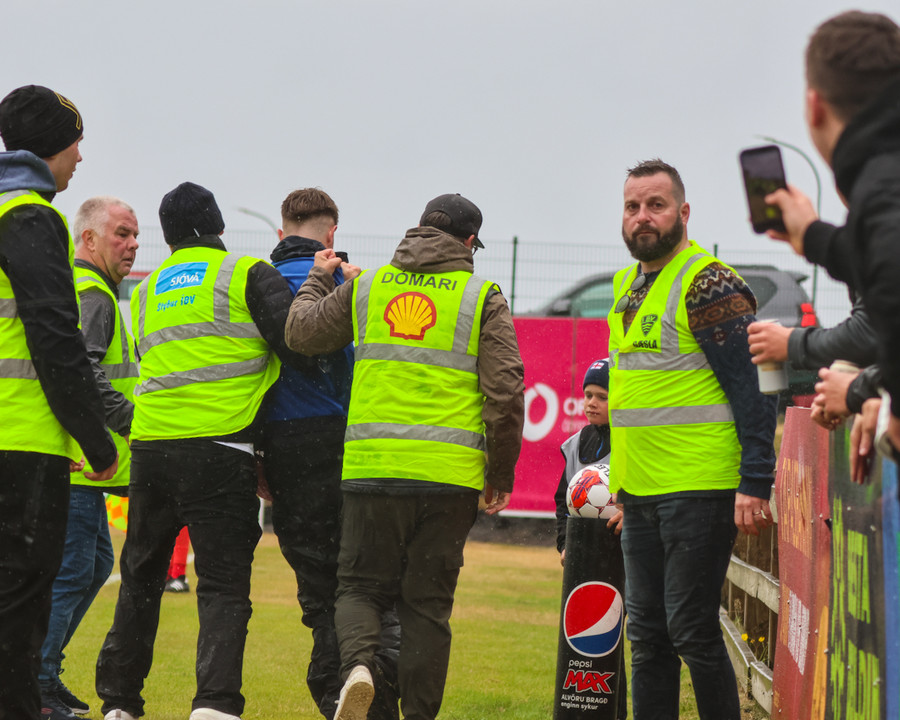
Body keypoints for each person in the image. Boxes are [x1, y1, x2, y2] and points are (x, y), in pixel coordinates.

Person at [284, 193, 525, 720]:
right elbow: (505, 391)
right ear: (469, 242)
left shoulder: (368, 286)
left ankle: (358, 667)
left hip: (372, 470)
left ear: (418, 230)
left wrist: (320, 278)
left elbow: (300, 333)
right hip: (448, 479)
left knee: (359, 589)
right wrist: (500, 471)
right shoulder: (482, 296)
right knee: (427, 608)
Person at [95, 182, 299, 720]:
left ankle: (119, 702)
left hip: (152, 448)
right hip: (220, 447)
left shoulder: (147, 290)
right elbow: (294, 341)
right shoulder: (246, 272)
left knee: (140, 579)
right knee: (223, 584)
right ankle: (214, 704)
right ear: (219, 227)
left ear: (166, 237)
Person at [607, 160, 777, 720]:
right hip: (642, 492)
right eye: (632, 207)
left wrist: (756, 479)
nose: (642, 217)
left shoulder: (708, 282)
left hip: (700, 487)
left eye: (655, 205)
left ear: (683, 212)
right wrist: (624, 489)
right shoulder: (626, 285)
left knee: (690, 629)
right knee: (647, 635)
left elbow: (759, 383)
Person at [0, 85, 118, 720]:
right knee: (20, 614)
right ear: (52, 145)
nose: (79, 156)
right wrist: (95, 440)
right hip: (22, 445)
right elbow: (53, 337)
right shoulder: (31, 215)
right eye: (76, 142)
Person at [259, 188, 399, 719]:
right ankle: (370, 684)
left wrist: (258, 456)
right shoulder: (352, 285)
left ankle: (334, 688)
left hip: (287, 445)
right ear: (332, 233)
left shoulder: (260, 283)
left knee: (317, 583)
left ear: (282, 232)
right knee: (361, 577)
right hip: (348, 441)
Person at [762, 11, 900, 466]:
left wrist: (868, 395)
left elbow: (886, 299)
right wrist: (816, 238)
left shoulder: (882, 186)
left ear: (815, 106)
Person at [39, 197, 140, 720]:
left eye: (135, 235)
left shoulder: (86, 290)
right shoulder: (94, 294)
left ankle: (43, 675)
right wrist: (131, 422)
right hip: (81, 462)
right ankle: (36, 682)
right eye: (122, 233)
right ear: (89, 239)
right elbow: (84, 372)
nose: (133, 244)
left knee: (94, 564)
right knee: (75, 570)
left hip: (84, 464)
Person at [552, 358, 627, 720]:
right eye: (587, 395)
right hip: (585, 556)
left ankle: (617, 710)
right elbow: (561, 500)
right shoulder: (575, 443)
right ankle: (590, 708)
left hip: (627, 551)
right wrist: (565, 542)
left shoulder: (633, 441)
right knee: (593, 639)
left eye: (602, 396)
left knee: (624, 637)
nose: (591, 403)